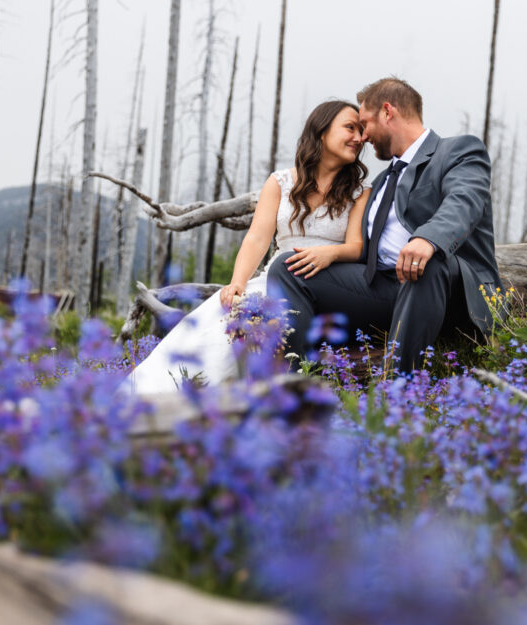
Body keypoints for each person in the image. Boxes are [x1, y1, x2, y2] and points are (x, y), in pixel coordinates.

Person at [121, 100, 369, 394]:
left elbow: (356, 247)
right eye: (350, 128)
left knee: (268, 330)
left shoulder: (359, 192)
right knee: (217, 323)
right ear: (322, 131)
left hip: (327, 284)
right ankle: (160, 396)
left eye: (362, 131)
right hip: (276, 277)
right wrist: (237, 283)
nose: (359, 138)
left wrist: (330, 254)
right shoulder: (281, 183)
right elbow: (257, 238)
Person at [268, 77, 503, 373]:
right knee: (287, 267)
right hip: (386, 287)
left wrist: (427, 239)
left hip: (449, 291)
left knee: (426, 263)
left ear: (387, 112)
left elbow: (464, 202)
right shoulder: (380, 183)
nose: (362, 137)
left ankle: (398, 392)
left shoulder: (458, 151)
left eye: (364, 124)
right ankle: (294, 381)